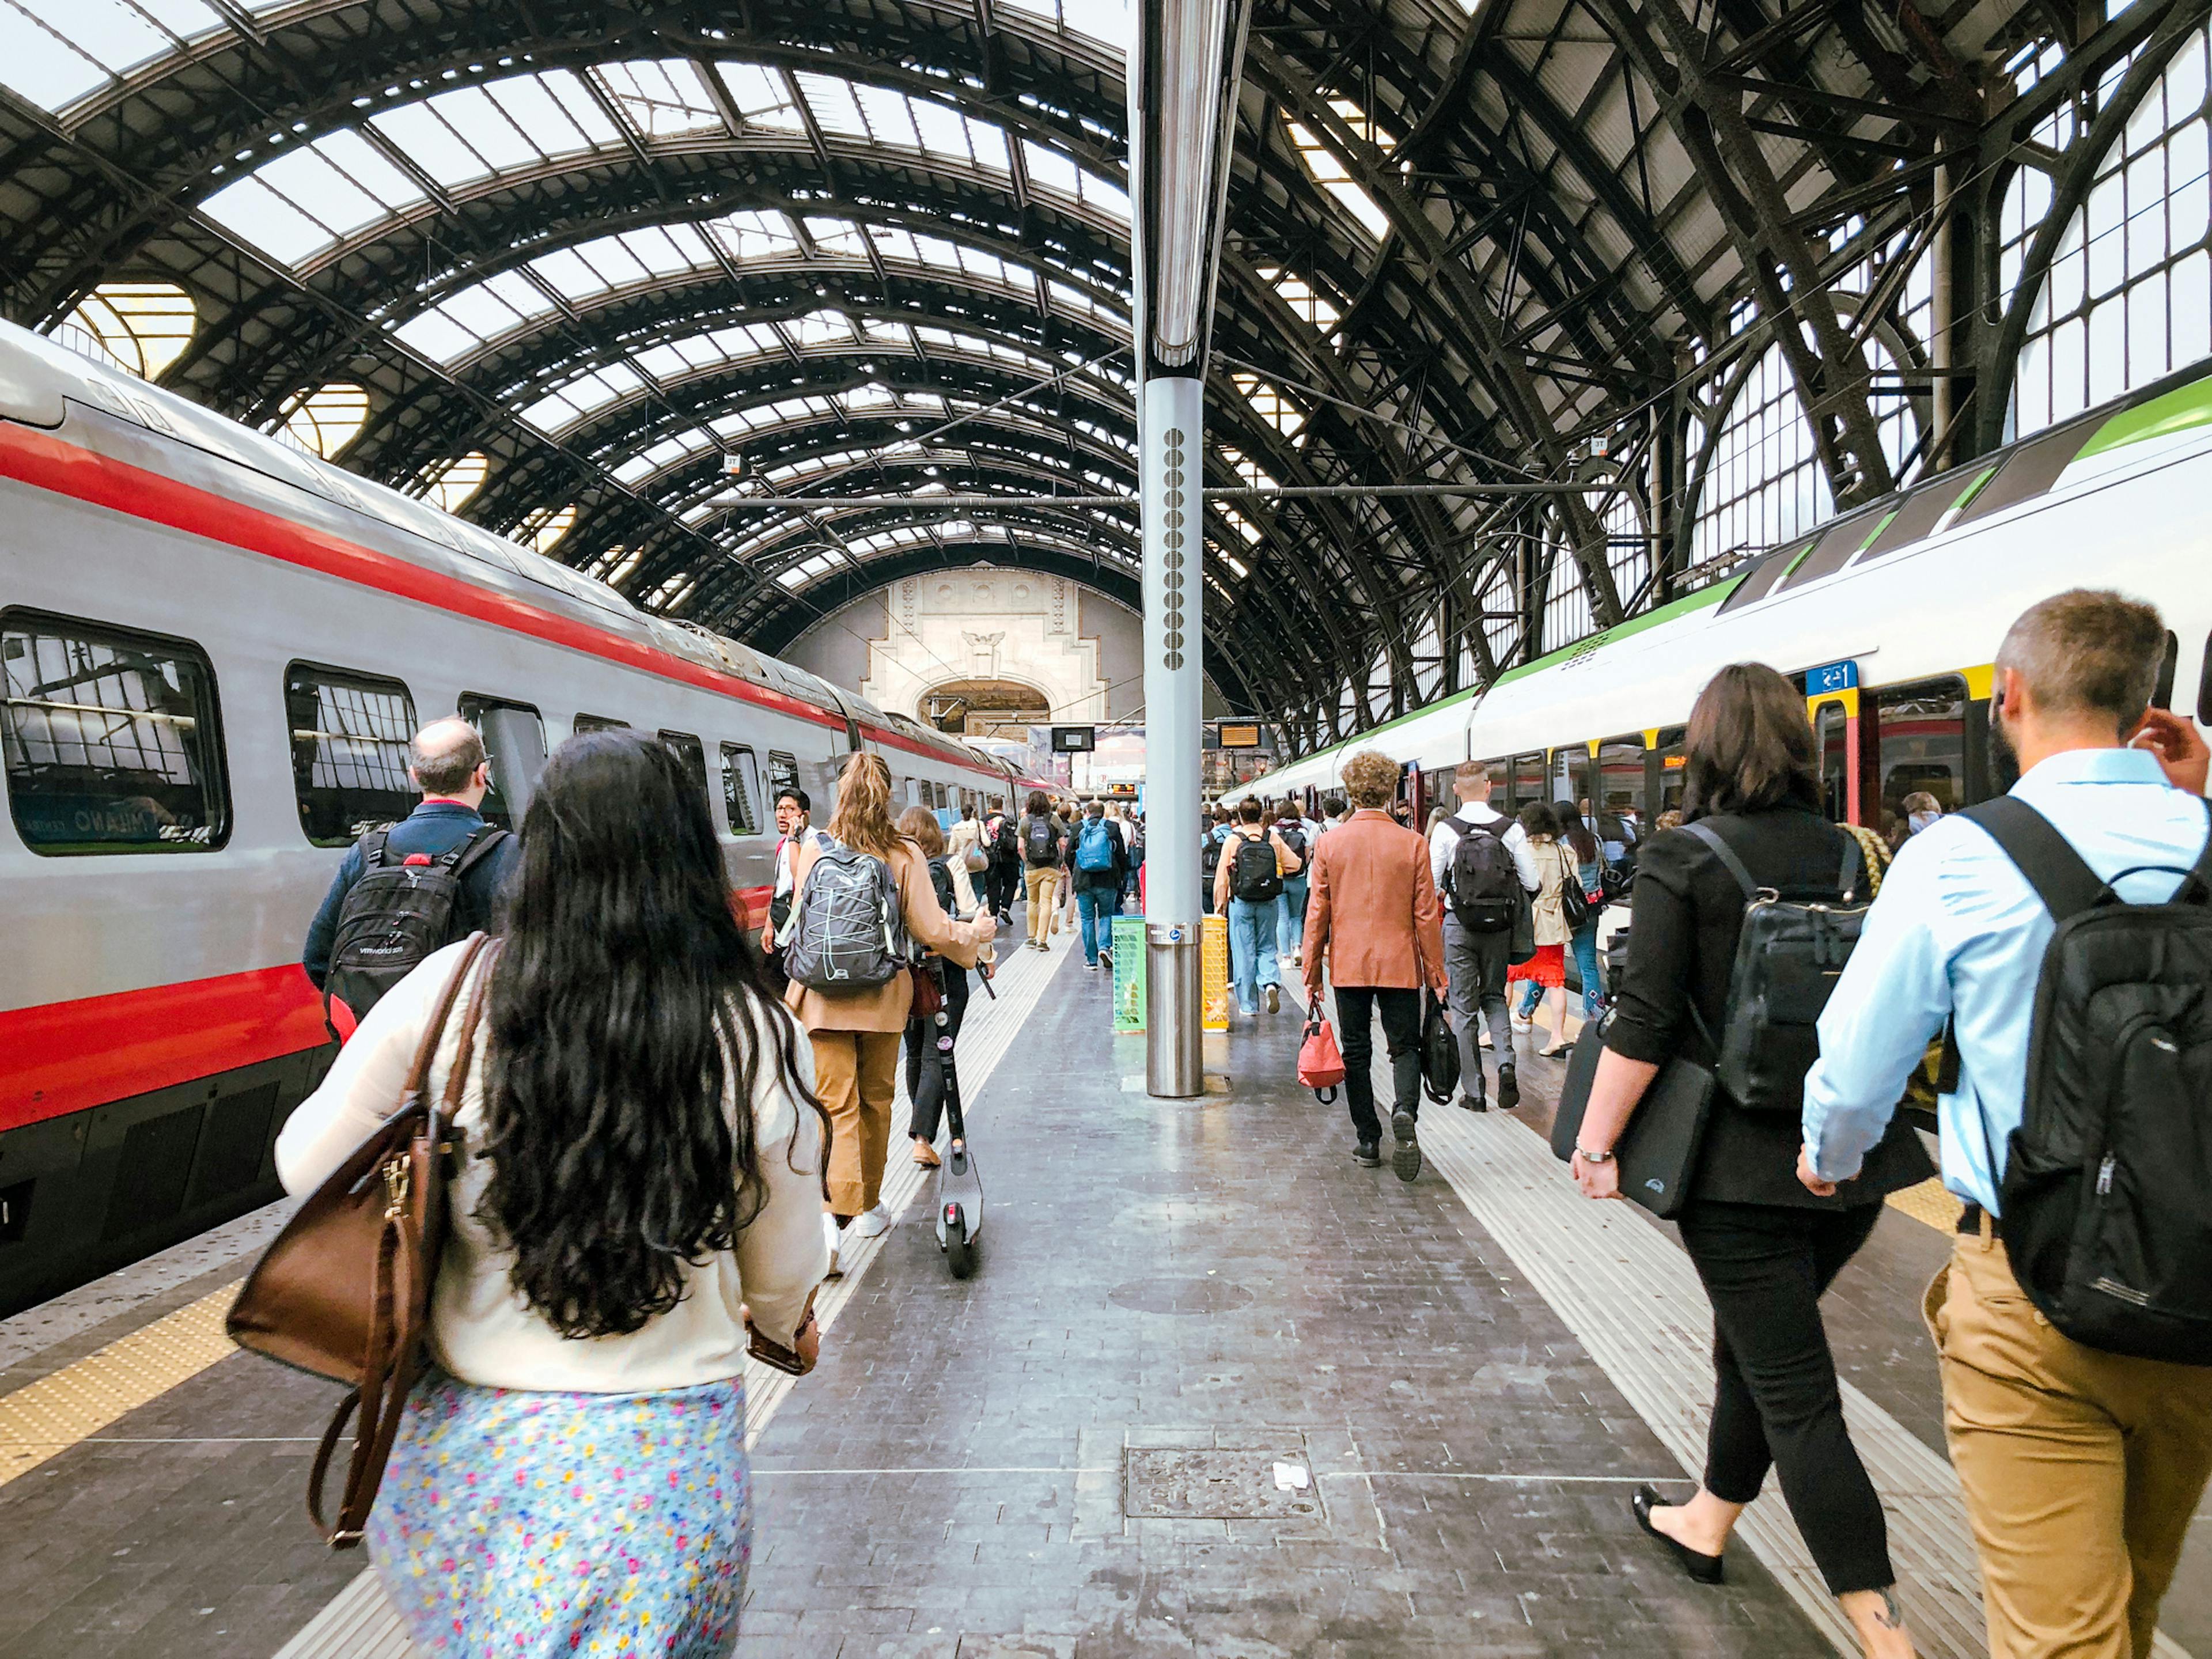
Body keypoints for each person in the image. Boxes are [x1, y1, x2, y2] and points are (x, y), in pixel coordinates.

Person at [275, 729, 828, 1657]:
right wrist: (784, 1321)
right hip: (664, 1476)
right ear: (689, 857)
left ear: (539, 852)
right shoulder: (751, 1029)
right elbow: (785, 1273)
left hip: (464, 1462)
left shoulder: (450, 989)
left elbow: (307, 1164)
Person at [1800, 589, 2212, 1659]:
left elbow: (1856, 1068)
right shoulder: (2208, 832)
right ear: (2148, 703)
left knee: (2061, 1636)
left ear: (2011, 695)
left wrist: (1829, 1159)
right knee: (2132, 1595)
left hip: (2031, 1287)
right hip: (2199, 1281)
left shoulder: (1961, 856)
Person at [1569, 663, 1932, 1659]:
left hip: (1736, 1175)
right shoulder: (1857, 853)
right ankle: (1706, 1521)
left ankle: (1885, 1634)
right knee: (1758, 1352)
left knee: (1797, 1393)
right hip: (1850, 1161)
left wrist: (1596, 1144)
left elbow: (1641, 1021)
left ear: (1706, 749)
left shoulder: (1681, 856)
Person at [786, 753, 993, 1275]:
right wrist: (977, 937)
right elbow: (932, 929)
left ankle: (829, 1227)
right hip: (880, 999)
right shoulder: (902, 852)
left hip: (820, 998)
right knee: (875, 1101)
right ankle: (863, 1208)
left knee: (834, 1106)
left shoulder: (816, 847)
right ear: (887, 797)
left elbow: (800, 915)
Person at [1301, 749, 1448, 1181]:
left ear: (1351, 791)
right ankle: (1404, 1111)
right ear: (1389, 792)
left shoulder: (1330, 843)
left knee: (1356, 1052)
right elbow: (1426, 916)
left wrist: (1311, 973)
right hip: (1401, 964)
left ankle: (1368, 1139)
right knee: (1405, 1047)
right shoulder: (1413, 843)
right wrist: (1436, 975)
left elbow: (1318, 913)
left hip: (1348, 966)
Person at [302, 717, 521, 1005]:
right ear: (481, 773)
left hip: (382, 1038)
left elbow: (317, 958)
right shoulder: (509, 853)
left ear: (414, 775)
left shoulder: (367, 853)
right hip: (466, 1041)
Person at [1430, 762, 1540, 1112]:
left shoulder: (1446, 830)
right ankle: (1506, 1063)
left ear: (1457, 790)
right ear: (1489, 787)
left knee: (1463, 1008)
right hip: (1499, 928)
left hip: (1459, 926)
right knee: (1494, 995)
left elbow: (1432, 886)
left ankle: (1475, 1093)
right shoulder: (1511, 830)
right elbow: (1532, 882)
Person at [896, 808, 972, 1171]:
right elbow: (968, 912)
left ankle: (920, 1122)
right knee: (937, 1052)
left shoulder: (893, 866)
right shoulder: (949, 865)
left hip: (905, 971)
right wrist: (983, 951)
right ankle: (923, 1137)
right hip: (944, 971)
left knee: (914, 1052)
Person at [1214, 797, 1302, 1016]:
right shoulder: (1271, 837)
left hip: (1241, 903)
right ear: (1261, 815)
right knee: (1267, 947)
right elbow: (1296, 864)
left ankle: (1249, 1006)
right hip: (1268, 901)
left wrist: (1219, 906)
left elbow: (1222, 879)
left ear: (1240, 817)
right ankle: (1270, 982)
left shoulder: (1233, 840)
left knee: (1244, 952)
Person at [1505, 801, 1574, 1057]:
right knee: (1556, 981)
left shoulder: (1520, 852)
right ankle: (1557, 1037)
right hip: (1553, 924)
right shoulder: (1564, 852)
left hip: (1523, 924)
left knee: (1508, 976)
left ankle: (1496, 1035)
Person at [1550, 800, 1607, 1023]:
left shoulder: (1562, 844)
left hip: (1567, 910)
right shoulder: (1596, 840)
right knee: (1589, 966)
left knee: (1550, 961)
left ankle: (1526, 1011)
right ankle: (1593, 1016)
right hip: (1591, 908)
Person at [761, 786, 824, 988]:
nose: (782, 815)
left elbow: (801, 878)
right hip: (783, 930)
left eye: (789, 810)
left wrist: (794, 838)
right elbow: (780, 885)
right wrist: (769, 926)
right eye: (779, 809)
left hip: (803, 933)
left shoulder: (816, 843)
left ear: (805, 815)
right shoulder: (784, 843)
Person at [1069, 799, 1129, 971]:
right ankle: (1104, 948)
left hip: (1084, 881)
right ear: (1103, 813)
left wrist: (1077, 870)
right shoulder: (1112, 827)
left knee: (1087, 919)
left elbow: (1068, 856)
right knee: (1106, 915)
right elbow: (1121, 855)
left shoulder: (1077, 828)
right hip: (1107, 880)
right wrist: (1121, 876)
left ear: (1087, 812)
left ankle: (1092, 960)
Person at [1017, 790, 1065, 951]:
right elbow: (1063, 844)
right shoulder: (1054, 819)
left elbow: (1020, 847)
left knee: (1033, 901)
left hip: (1032, 868)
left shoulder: (1024, 821)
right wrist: (1062, 862)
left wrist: (1027, 862)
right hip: (1050, 867)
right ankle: (1042, 941)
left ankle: (1031, 938)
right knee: (1046, 903)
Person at [1273, 802, 1315, 967]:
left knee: (1282, 918)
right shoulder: (1303, 830)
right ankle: (1298, 948)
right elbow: (1308, 854)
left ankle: (1286, 957)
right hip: (1299, 878)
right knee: (1296, 916)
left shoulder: (1274, 831)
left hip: (1280, 879)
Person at [945, 801, 987, 916]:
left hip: (961, 861)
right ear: (973, 813)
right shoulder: (979, 824)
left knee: (962, 889)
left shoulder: (956, 828)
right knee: (978, 888)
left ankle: (962, 911)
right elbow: (987, 843)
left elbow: (952, 849)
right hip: (976, 858)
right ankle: (973, 910)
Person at [982, 801, 1020, 925]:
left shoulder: (983, 821)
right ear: (1002, 806)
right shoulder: (1008, 820)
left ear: (991, 807)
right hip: (1009, 858)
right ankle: (1005, 907)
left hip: (992, 858)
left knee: (993, 885)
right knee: (1011, 883)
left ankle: (993, 914)